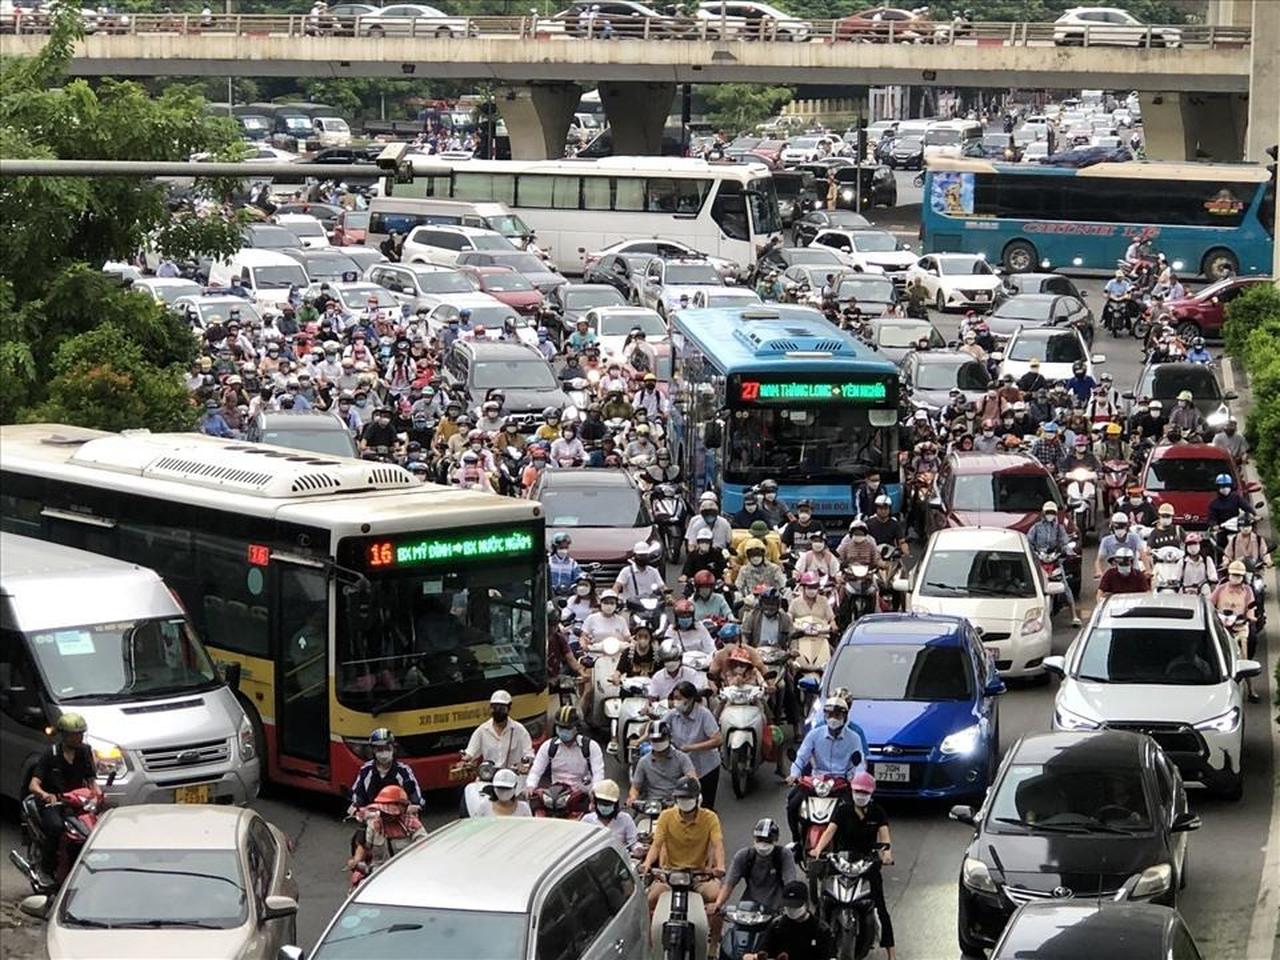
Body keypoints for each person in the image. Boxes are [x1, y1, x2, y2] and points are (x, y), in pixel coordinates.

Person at [811, 771, 896, 960]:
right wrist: (818, 849)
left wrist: (887, 854)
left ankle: (892, 954)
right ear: (851, 791)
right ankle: (814, 946)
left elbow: (885, 837)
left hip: (867, 864)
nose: (861, 795)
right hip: (841, 862)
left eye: (865, 792)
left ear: (871, 794)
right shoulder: (843, 810)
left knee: (880, 907)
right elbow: (829, 831)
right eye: (858, 791)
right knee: (823, 902)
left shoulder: (877, 812)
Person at [639, 775, 726, 942]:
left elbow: (718, 844)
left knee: (718, 899)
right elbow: (656, 845)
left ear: (697, 799)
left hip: (699, 876)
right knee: (649, 900)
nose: (684, 801)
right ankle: (650, 945)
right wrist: (647, 864)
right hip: (669, 875)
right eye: (681, 798)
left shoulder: (710, 818)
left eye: (688, 798)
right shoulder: (666, 816)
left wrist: (720, 866)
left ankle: (714, 944)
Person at [786, 695, 868, 846]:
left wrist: (857, 780)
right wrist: (794, 775)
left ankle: (850, 846)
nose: (833, 718)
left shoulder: (854, 738)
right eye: (829, 714)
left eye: (837, 715)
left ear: (845, 716)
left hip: (841, 783)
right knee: (792, 804)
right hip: (816, 781)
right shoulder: (814, 734)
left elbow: (859, 764)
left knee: (854, 812)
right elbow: (801, 757)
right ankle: (796, 839)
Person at [26, 713, 96, 882]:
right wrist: (45, 795)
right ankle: (47, 868)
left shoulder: (85, 751)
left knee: (91, 830)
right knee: (56, 828)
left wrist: (96, 796)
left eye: (80, 734)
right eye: (74, 734)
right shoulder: (50, 754)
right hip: (54, 802)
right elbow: (33, 785)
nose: (79, 738)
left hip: (77, 802)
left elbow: (91, 781)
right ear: (64, 735)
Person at [712, 818, 797, 917]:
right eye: (760, 839)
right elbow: (729, 884)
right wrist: (718, 905)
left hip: (776, 911)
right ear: (754, 838)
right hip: (748, 910)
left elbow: (790, 884)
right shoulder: (743, 856)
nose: (763, 844)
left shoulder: (784, 855)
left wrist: (790, 907)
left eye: (768, 840)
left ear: (775, 840)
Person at [664, 681, 724, 809]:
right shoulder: (673, 715)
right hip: (682, 769)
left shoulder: (704, 714)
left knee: (705, 808)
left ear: (690, 699)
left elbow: (718, 740)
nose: (676, 702)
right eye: (675, 698)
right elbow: (658, 727)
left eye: (679, 698)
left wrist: (691, 748)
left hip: (706, 768)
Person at [346, 785, 428, 873]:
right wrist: (356, 860)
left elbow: (425, 846)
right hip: (379, 871)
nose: (385, 815)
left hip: (408, 870)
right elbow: (364, 846)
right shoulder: (374, 824)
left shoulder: (412, 824)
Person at [743, 881, 834, 960]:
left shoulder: (821, 930)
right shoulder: (777, 926)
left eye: (795, 906)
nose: (791, 909)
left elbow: (828, 956)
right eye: (788, 906)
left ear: (806, 904)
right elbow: (762, 952)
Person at [1210, 561, 1260, 701]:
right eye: (1233, 575)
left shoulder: (1247, 591)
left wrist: (1250, 616)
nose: (1235, 578)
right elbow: (1210, 603)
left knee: (1244, 658)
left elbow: (1251, 608)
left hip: (1240, 627)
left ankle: (1251, 689)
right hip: (1222, 629)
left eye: (1238, 575)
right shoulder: (1221, 589)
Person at [525, 706, 605, 792]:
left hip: (581, 793)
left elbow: (598, 773)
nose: (563, 731)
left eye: (567, 728)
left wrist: (595, 791)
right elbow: (536, 771)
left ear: (576, 728)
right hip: (556, 794)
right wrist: (530, 786)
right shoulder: (548, 746)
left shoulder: (591, 747)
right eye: (560, 728)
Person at [1026, 502, 1081, 626]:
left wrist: (1069, 552)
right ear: (1043, 513)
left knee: (1066, 587)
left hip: (1054, 560)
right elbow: (1028, 541)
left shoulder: (1059, 528)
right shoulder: (1036, 528)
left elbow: (1065, 543)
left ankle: (1074, 615)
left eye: (1052, 513)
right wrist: (1034, 553)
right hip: (1039, 561)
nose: (1050, 515)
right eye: (1048, 513)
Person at [348, 728, 424, 814]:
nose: (384, 752)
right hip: (373, 815)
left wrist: (415, 805)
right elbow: (358, 794)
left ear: (393, 749)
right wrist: (356, 808)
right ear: (373, 750)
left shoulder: (403, 770)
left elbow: (414, 793)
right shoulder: (365, 770)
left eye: (387, 748)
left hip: (398, 815)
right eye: (379, 749)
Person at [463, 690, 534, 772]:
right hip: (489, 775)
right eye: (495, 708)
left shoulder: (519, 730)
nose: (498, 711)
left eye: (502, 708)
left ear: (509, 708)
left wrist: (525, 764)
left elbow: (529, 753)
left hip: (513, 775)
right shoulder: (482, 730)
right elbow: (470, 753)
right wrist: (466, 760)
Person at [629, 721, 698, 805]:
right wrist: (633, 798)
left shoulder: (682, 758)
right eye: (655, 740)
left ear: (669, 738)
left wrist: (687, 786)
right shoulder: (644, 762)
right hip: (652, 804)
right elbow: (635, 787)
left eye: (661, 739)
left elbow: (692, 778)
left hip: (676, 803)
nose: (658, 742)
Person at [582, 778, 638, 848]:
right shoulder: (587, 821)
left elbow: (634, 843)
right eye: (602, 803)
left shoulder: (625, 819)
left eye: (608, 804)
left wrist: (638, 849)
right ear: (595, 802)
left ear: (615, 804)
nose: (604, 807)